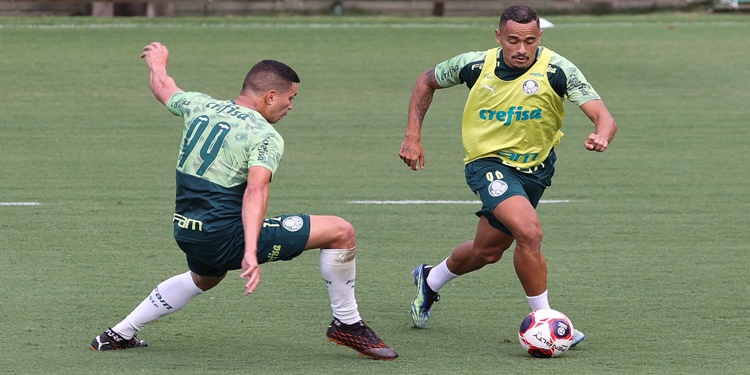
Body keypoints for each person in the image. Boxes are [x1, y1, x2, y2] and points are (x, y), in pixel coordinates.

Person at [90, 42, 398, 360]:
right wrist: (249, 251)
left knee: (205, 279)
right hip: (225, 238)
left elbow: (163, 88)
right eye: (291, 98)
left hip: (187, 230)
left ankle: (118, 334)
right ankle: (348, 323)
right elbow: (255, 191)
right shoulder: (263, 136)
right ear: (270, 96)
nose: (291, 106)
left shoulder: (200, 105)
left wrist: (157, 63)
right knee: (340, 231)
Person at [398, 4, 617, 348]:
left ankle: (430, 279)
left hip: (537, 170)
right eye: (513, 40)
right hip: (487, 165)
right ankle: (546, 321)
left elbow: (604, 116)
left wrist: (601, 134)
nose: (521, 49)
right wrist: (412, 136)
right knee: (529, 232)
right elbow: (427, 81)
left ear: (539, 37)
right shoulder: (474, 65)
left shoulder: (557, 69)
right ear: (498, 36)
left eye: (529, 41)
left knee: (488, 251)